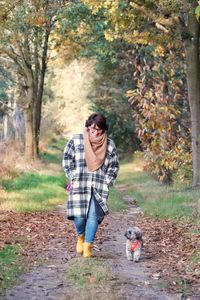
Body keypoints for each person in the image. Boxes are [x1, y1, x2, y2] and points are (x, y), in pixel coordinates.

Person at [62, 113, 119, 258]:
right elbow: (67, 158)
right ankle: (80, 236)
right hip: (80, 183)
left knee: (93, 216)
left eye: (99, 129)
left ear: (103, 129)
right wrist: (71, 175)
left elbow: (114, 166)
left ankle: (88, 246)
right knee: (79, 217)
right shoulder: (76, 140)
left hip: (99, 186)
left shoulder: (110, 144)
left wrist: (107, 181)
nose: (95, 132)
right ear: (88, 127)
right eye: (92, 128)